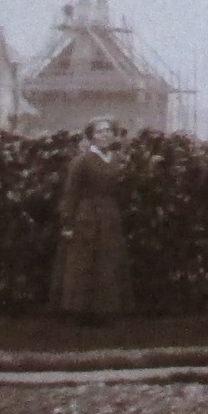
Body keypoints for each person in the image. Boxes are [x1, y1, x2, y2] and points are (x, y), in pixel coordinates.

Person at [51, 118, 133, 323]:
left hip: (110, 215)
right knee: (85, 262)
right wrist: (68, 222)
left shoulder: (117, 160)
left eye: (108, 131)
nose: (105, 135)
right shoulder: (82, 161)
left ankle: (106, 311)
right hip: (87, 215)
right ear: (91, 136)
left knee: (108, 260)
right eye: (100, 132)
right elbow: (71, 193)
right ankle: (81, 312)